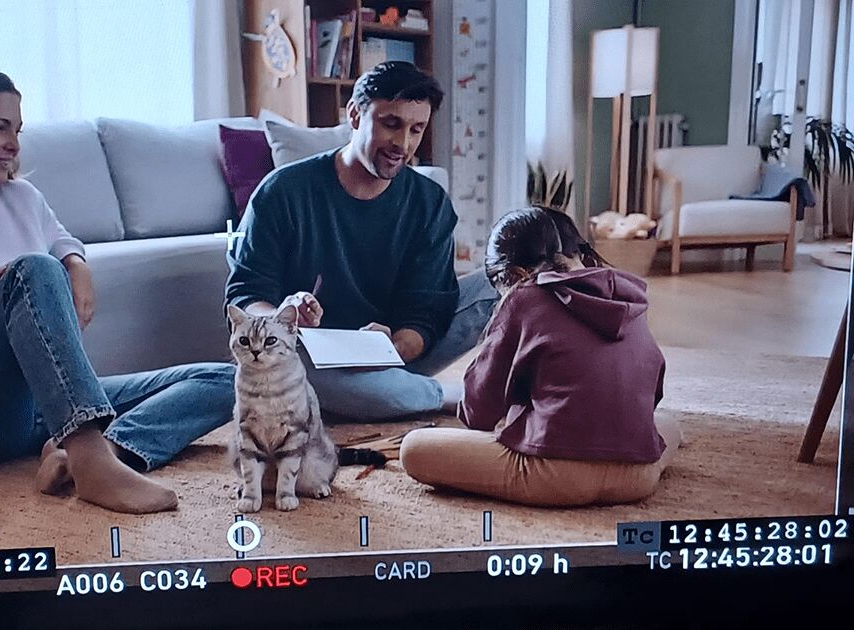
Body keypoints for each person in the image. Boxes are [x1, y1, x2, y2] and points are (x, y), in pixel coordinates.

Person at [0, 64, 235, 514]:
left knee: (226, 379)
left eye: (17, 130)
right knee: (33, 269)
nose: (14, 145)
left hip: (42, 408)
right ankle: (92, 460)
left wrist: (78, 266)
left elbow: (63, 241)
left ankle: (97, 451)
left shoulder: (22, 198)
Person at [225, 61, 499, 421]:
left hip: (394, 354)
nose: (403, 144)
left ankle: (388, 392)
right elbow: (245, 295)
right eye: (391, 125)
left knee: (505, 281)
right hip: (311, 355)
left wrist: (390, 348)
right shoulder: (282, 192)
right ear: (354, 115)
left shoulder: (429, 202)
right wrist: (281, 317)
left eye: (417, 129)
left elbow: (428, 312)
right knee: (286, 365)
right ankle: (447, 397)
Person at [399, 207, 682, 507]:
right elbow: (652, 390)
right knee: (666, 424)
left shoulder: (524, 296)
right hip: (638, 474)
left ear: (516, 275)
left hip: (555, 476)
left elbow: (478, 413)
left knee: (414, 447)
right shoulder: (628, 293)